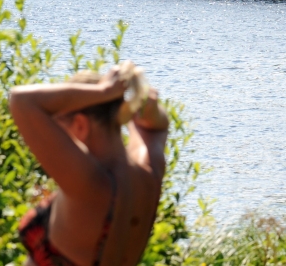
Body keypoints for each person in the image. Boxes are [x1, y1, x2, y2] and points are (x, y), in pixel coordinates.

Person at [10, 62, 169, 266]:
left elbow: (21, 100)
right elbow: (156, 128)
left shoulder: (90, 184)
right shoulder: (148, 173)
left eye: (59, 127)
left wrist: (103, 91)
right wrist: (146, 108)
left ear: (80, 125)